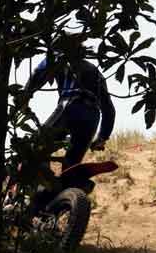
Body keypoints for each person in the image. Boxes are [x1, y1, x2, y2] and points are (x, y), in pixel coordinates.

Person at [24, 38, 116, 168]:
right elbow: (109, 110)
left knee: (39, 145)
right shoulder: (95, 72)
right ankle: (70, 182)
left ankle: (42, 182)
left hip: (70, 106)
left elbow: (38, 74)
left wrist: (24, 97)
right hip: (92, 118)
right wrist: (102, 137)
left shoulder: (59, 59)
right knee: (72, 164)